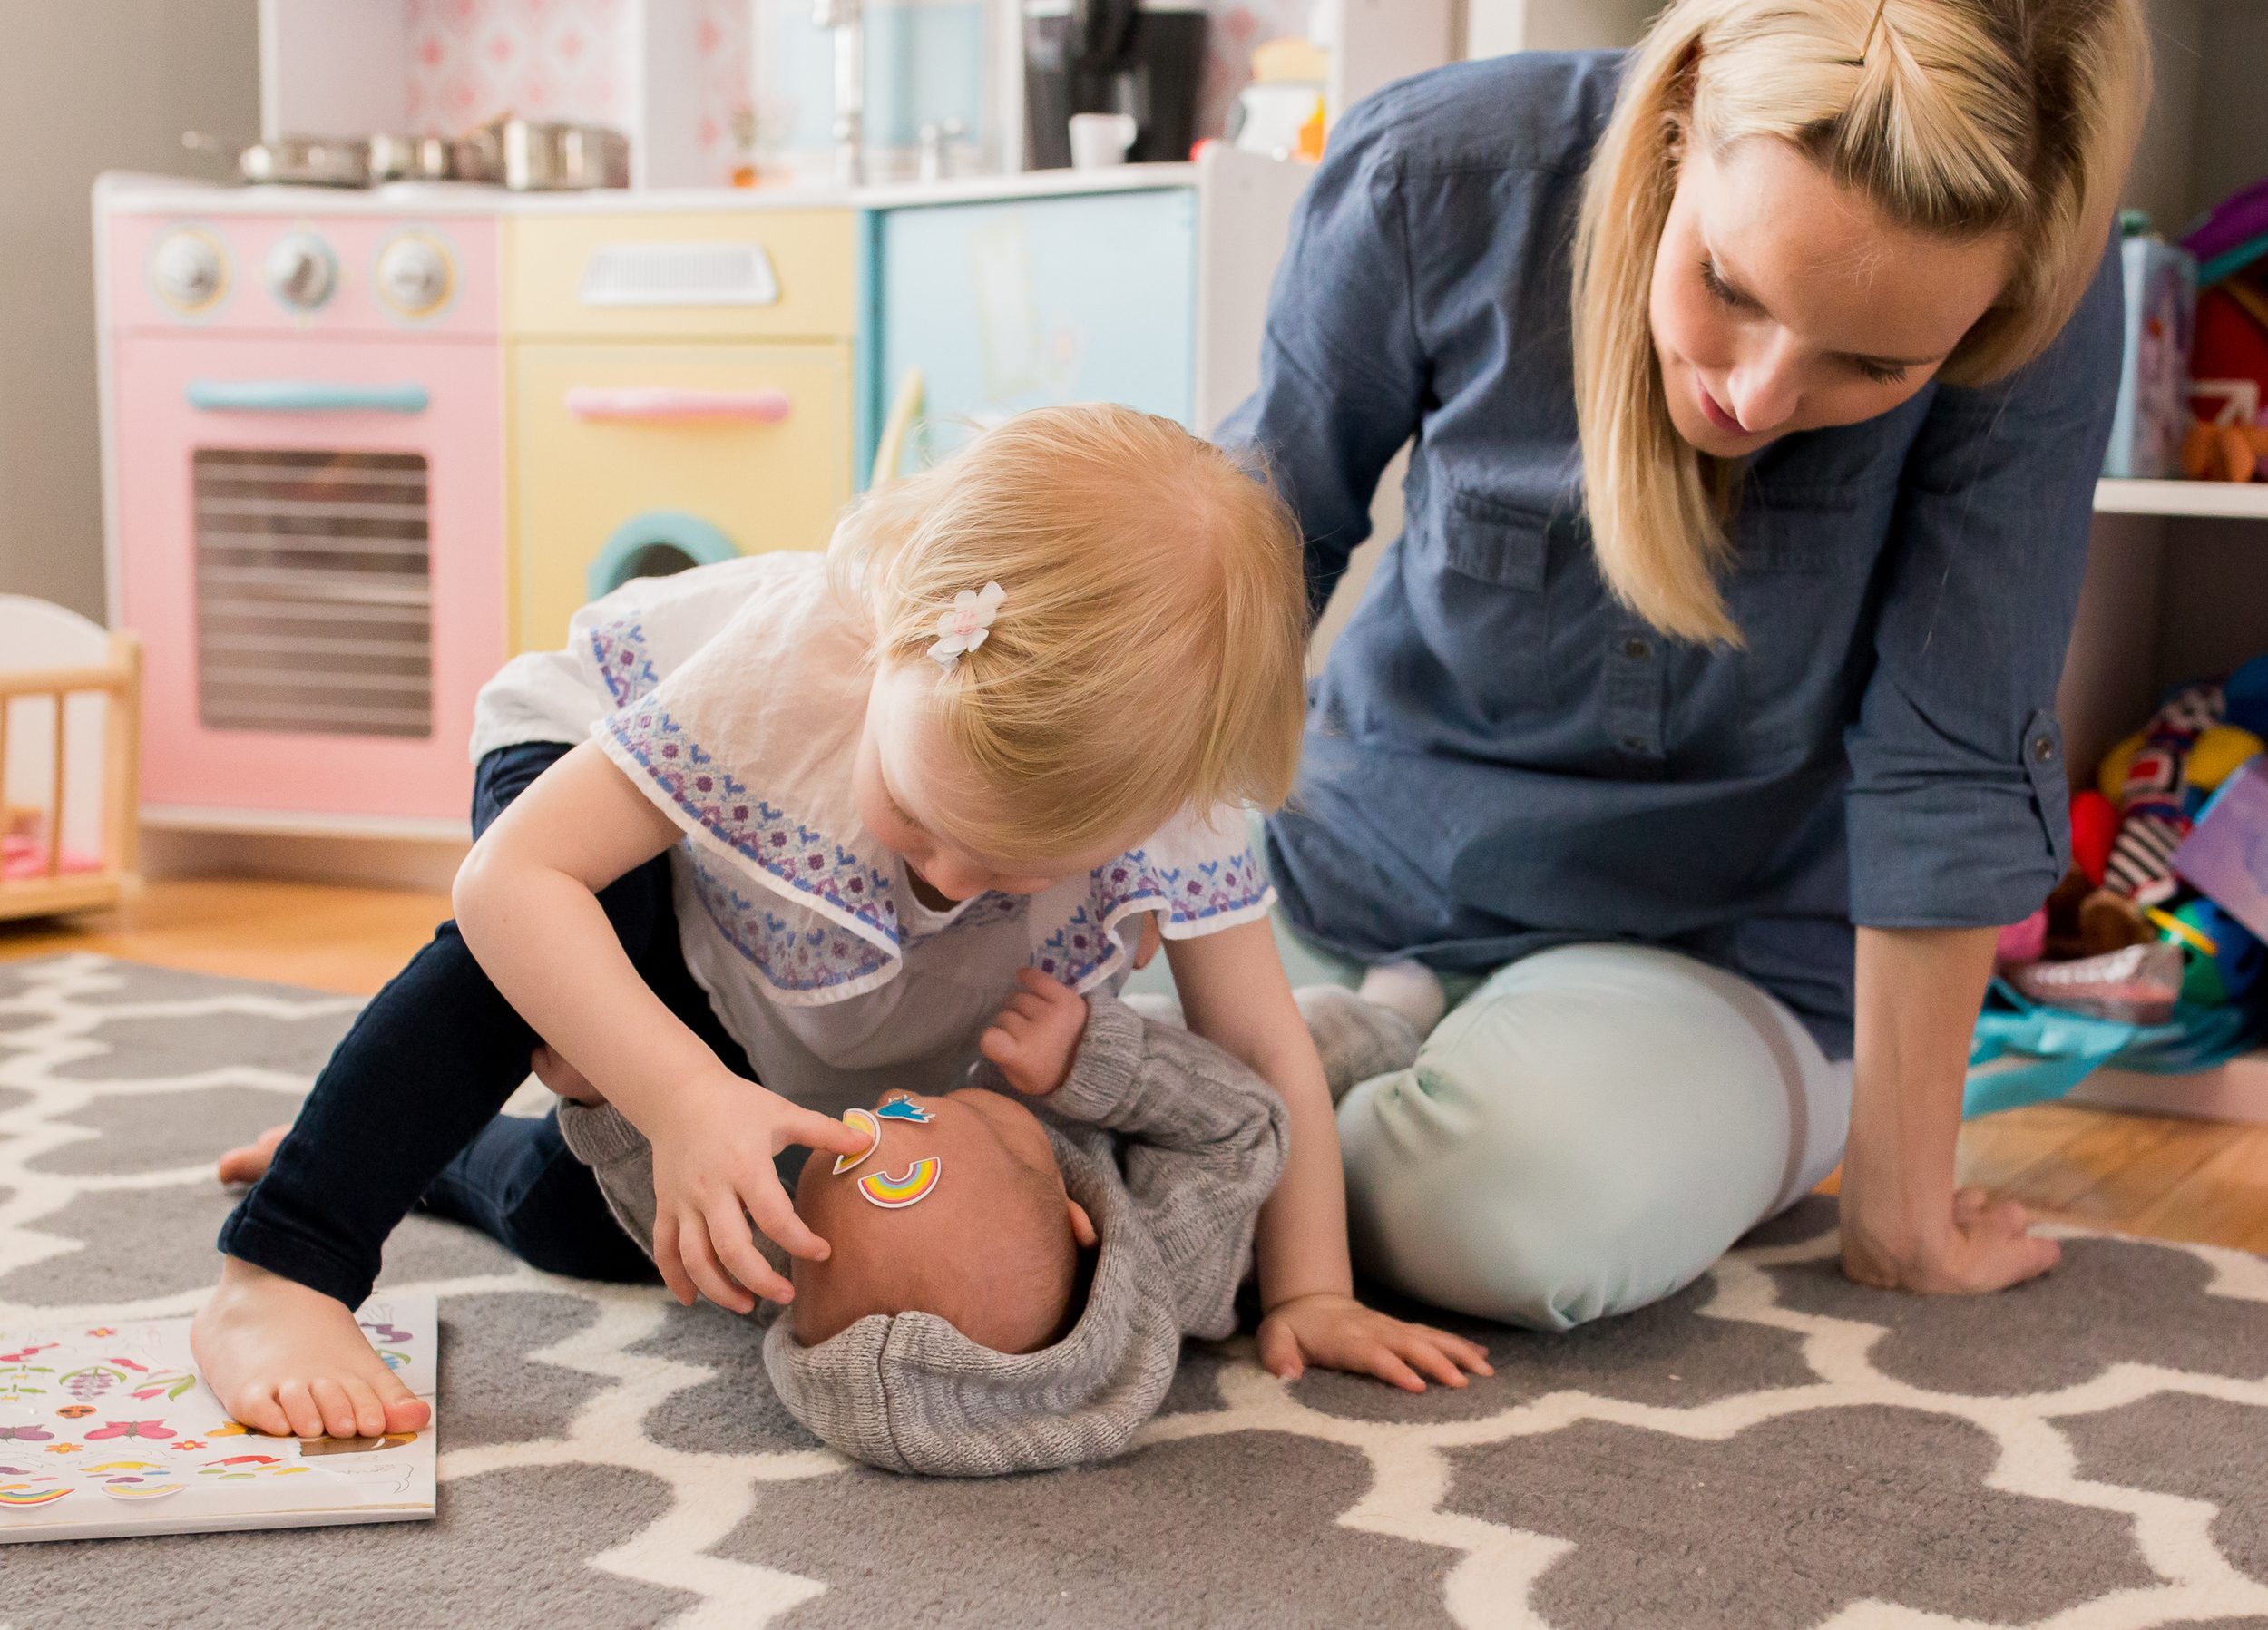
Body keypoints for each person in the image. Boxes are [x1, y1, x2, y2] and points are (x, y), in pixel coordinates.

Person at [192, 405, 1489, 1441]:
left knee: (659, 1226)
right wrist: (684, 1091)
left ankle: (431, 1149)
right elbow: (509, 887)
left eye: (1010, 872)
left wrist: (1315, 1287)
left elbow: (1264, 1054)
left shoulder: (1174, 796)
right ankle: (288, 1264)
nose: (942, 877)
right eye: (919, 818)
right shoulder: (800, 662)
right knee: (535, 985)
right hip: (605, 799)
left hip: (769, 949)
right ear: (890, 654)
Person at [1215, 0, 2150, 1328]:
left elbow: (1952, 743)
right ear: (1674, 132)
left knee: (1499, 1216)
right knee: (945, 1022)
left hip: (1725, 956)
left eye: (1873, 362)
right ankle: (1312, 1088)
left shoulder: (2043, 294)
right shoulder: (1434, 173)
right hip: (1357, 866)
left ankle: (1243, 1134)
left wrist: (1899, 1218)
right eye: (1730, 287)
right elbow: (1247, 559)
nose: (1760, 399)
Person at [562, 984, 1295, 1476]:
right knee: (1341, 1041)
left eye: (873, 1117)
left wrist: (613, 1090)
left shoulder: (792, 1279)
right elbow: (1239, 1129)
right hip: (1170, 1045)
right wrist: (1098, 1059)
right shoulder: (1176, 1266)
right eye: (971, 1116)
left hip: (1072, 1017)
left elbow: (700, 1214)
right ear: (1080, 1225)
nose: (896, 1094)